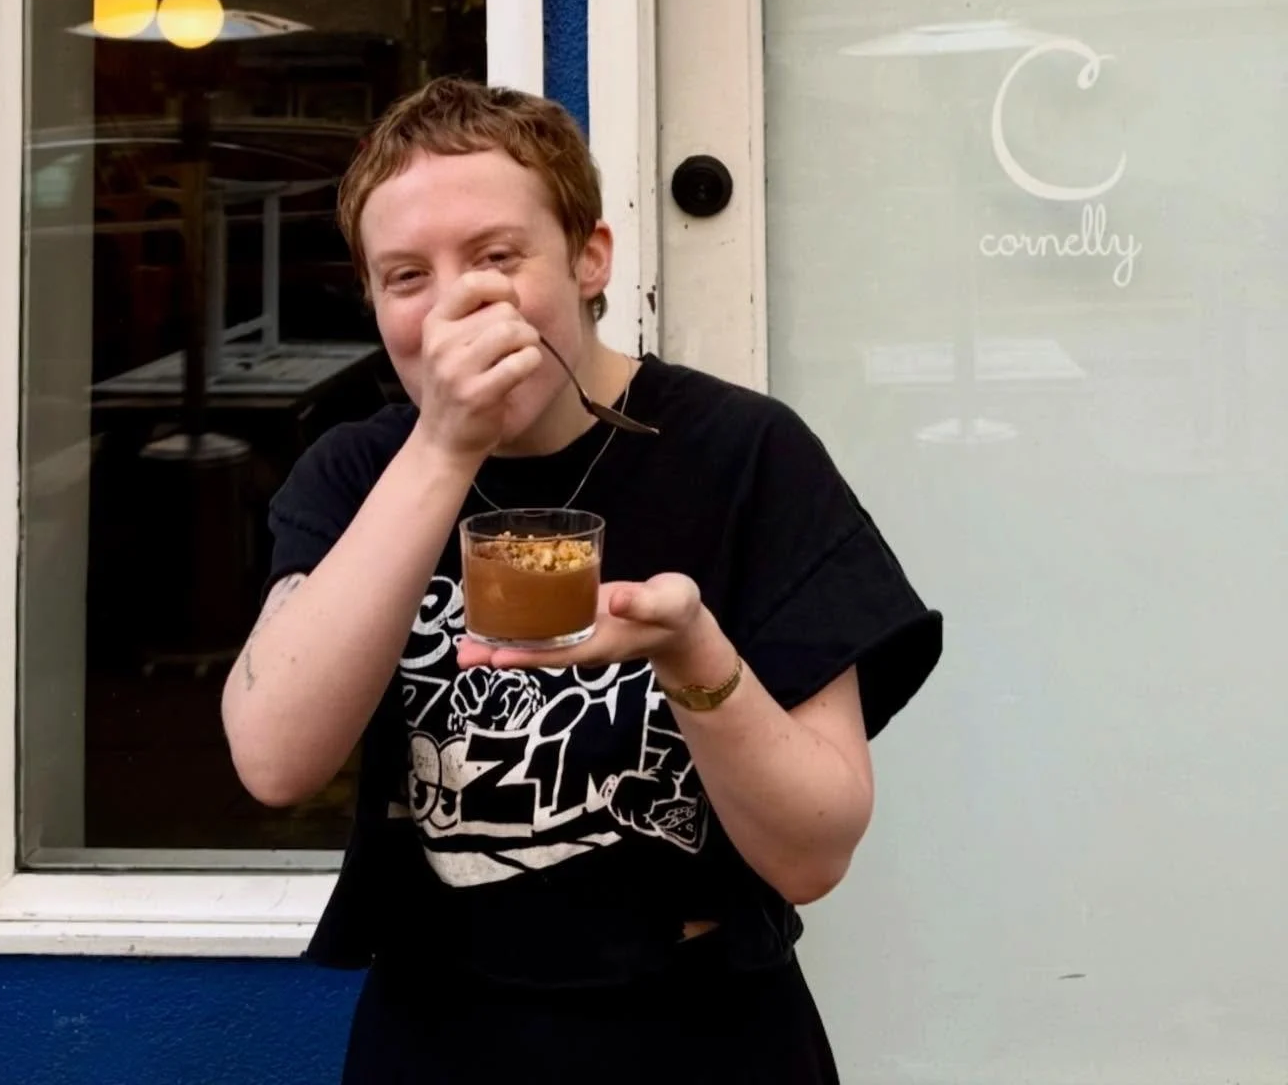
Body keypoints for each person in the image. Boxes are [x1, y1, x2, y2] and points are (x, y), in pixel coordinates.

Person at [222, 78, 942, 1083]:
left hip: (704, 1028)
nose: (452, 306)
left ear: (591, 257)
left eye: (496, 258)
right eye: (405, 277)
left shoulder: (743, 454)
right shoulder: (357, 470)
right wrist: (445, 446)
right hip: (440, 1027)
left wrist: (694, 653)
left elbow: (814, 853)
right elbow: (273, 758)